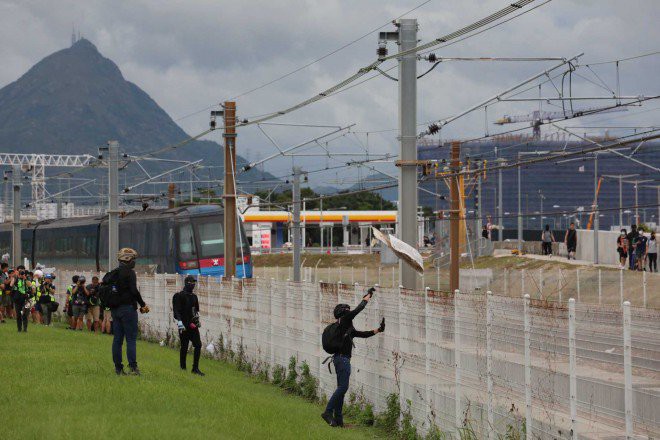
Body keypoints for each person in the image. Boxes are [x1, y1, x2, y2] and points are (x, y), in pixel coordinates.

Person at [321, 287, 385, 428]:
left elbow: (363, 334)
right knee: (343, 388)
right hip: (343, 360)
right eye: (348, 310)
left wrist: (378, 330)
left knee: (341, 390)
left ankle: (339, 422)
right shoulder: (345, 320)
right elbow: (359, 309)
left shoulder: (346, 328)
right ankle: (327, 412)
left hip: (339, 359)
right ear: (344, 313)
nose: (350, 312)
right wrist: (368, 296)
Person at [105, 248, 149, 376]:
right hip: (128, 309)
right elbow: (134, 291)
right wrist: (142, 304)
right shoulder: (129, 273)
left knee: (117, 339)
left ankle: (118, 368)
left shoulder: (114, 273)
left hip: (115, 310)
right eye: (133, 259)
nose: (134, 262)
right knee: (130, 339)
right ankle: (133, 367)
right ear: (127, 259)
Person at [172, 275, 204, 376]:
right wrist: (180, 322)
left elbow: (195, 311)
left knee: (198, 345)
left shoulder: (194, 297)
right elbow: (176, 311)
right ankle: (183, 367)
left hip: (192, 325)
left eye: (194, 283)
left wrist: (196, 320)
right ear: (186, 283)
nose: (193, 285)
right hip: (184, 326)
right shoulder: (179, 296)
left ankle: (195, 368)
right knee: (184, 346)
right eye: (191, 283)